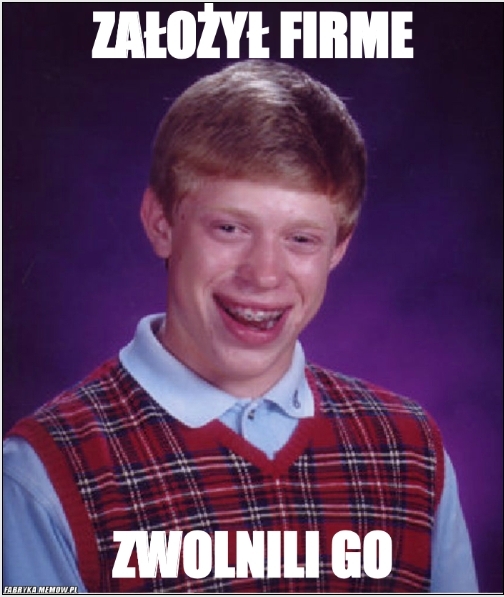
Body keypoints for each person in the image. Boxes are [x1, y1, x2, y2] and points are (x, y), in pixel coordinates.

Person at [3, 60, 478, 593]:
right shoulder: (44, 474)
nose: (264, 274)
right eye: (230, 228)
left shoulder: (410, 452)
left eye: (301, 239)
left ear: (338, 248)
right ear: (161, 223)